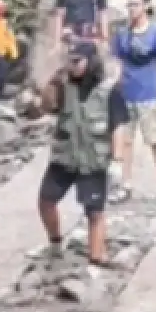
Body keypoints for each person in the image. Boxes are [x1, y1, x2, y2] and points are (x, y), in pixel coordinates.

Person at [37, 40, 130, 267]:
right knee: (46, 200)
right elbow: (46, 107)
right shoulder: (64, 85)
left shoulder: (109, 90)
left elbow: (118, 126)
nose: (72, 65)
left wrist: (117, 161)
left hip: (93, 159)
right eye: (70, 61)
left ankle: (97, 255)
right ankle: (55, 243)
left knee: (95, 212)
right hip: (65, 156)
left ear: (90, 62)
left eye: (77, 61)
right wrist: (52, 81)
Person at [109, 0, 156, 207]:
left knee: (155, 140)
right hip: (127, 93)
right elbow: (118, 65)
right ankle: (126, 183)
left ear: (146, 6)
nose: (131, 9)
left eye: (135, 4)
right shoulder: (121, 35)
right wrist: (112, 88)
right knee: (125, 141)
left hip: (149, 93)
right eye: (129, 5)